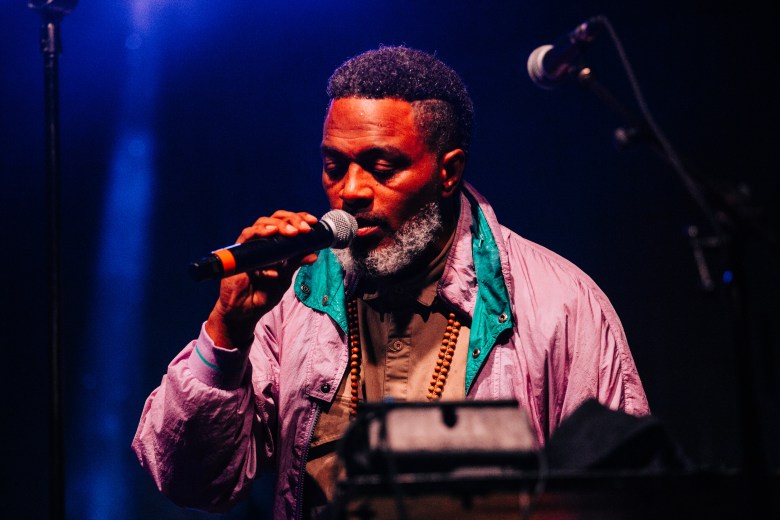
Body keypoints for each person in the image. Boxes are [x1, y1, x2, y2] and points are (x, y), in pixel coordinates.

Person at [132, 45, 650, 519]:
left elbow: (621, 495)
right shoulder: (295, 298)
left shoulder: (561, 303)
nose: (350, 191)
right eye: (334, 166)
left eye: (382, 167)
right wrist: (230, 329)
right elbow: (192, 481)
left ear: (448, 172)